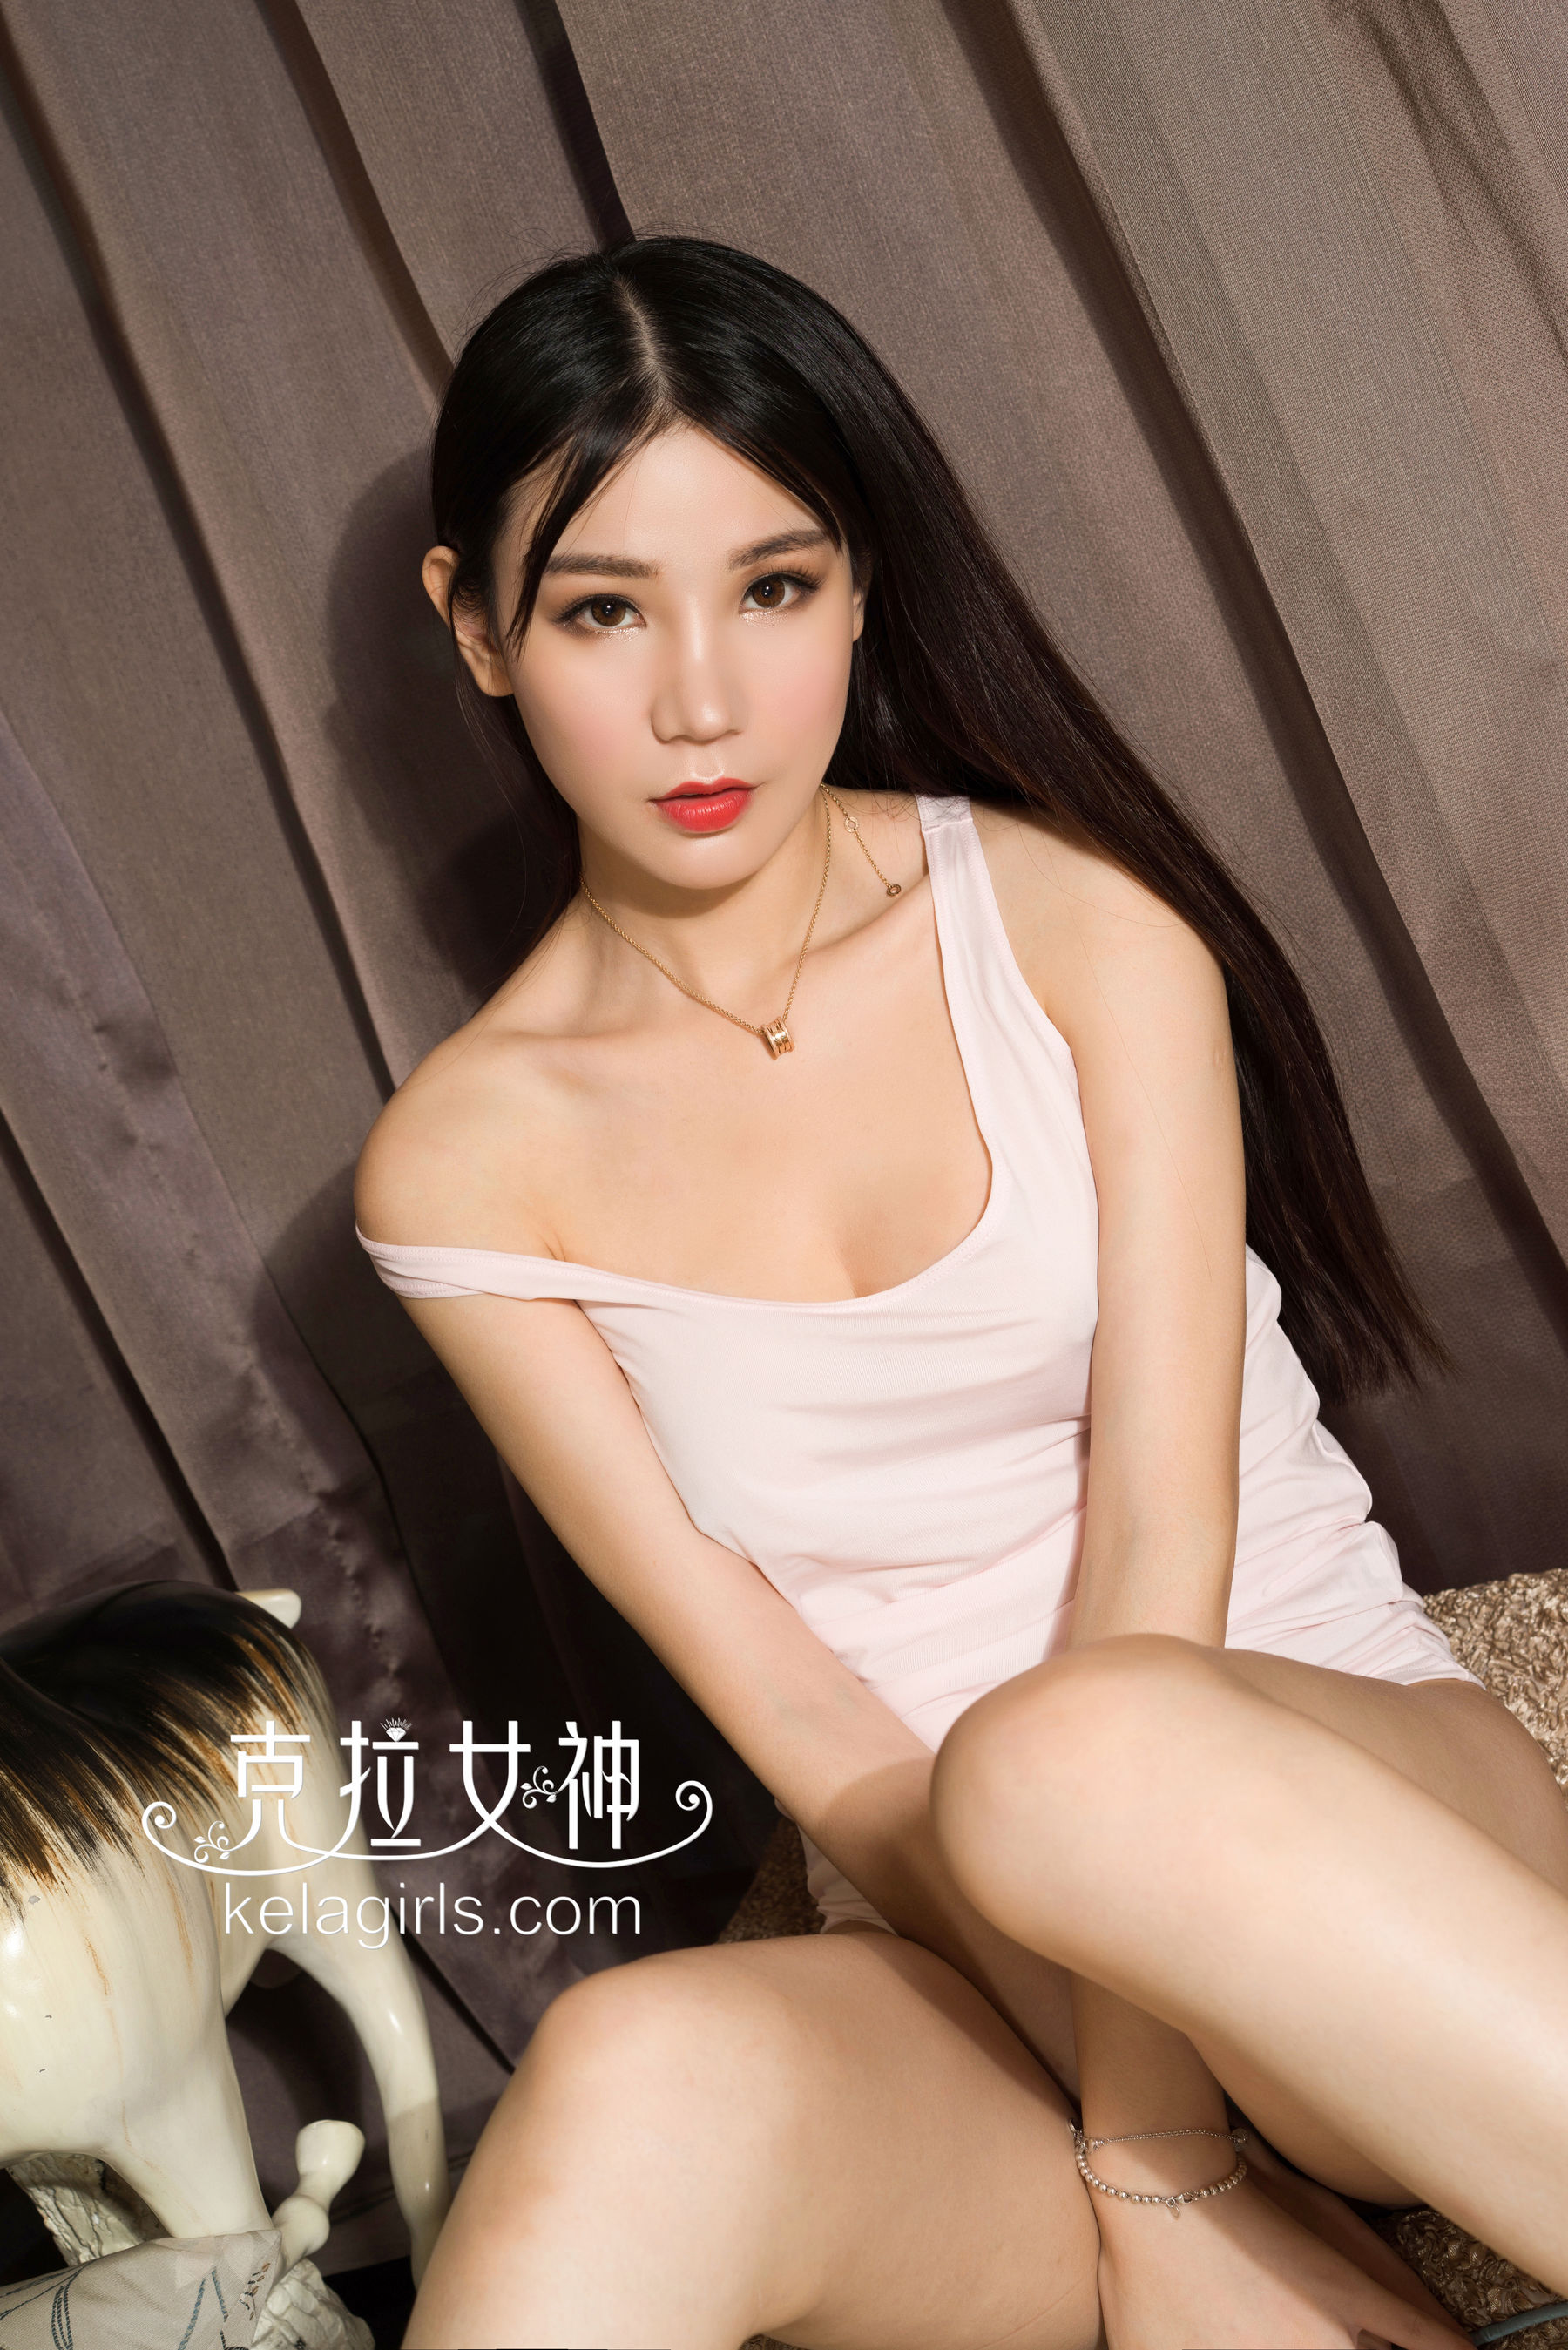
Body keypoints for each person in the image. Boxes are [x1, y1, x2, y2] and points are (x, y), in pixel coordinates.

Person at [354, 235, 1568, 2350]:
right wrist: (1136, 2149)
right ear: (477, 625)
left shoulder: (1080, 930)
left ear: (862, 589)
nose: (702, 700)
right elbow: (809, 1721)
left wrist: (1169, 2148)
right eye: (604, 609)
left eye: (774, 586)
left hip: (1325, 1834)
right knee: (629, 2069)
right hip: (976, 1981)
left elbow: (1165, 1541)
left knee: (1070, 1752)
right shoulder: (462, 1163)